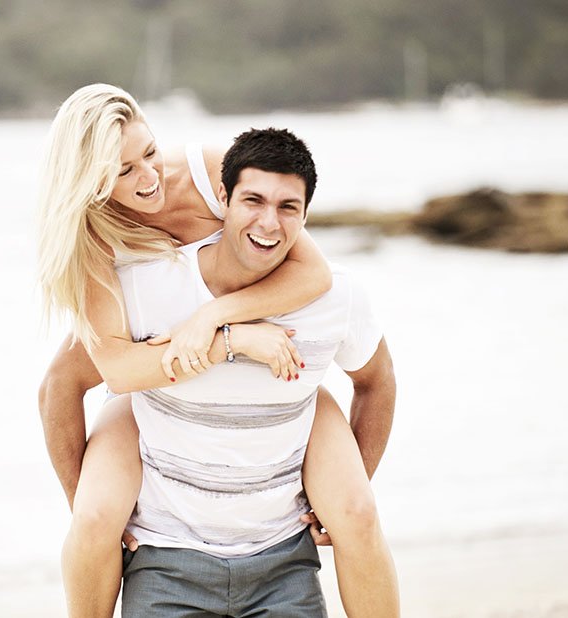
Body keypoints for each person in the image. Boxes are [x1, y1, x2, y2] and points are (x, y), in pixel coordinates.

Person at [37, 84, 398, 617]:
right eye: (124, 171)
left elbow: (313, 274)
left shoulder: (212, 173)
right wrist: (93, 514)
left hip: (251, 363)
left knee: (357, 511)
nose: (150, 177)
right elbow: (108, 371)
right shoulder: (96, 237)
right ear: (89, 182)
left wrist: (213, 317)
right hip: (159, 367)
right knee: (93, 520)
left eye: (150, 152)